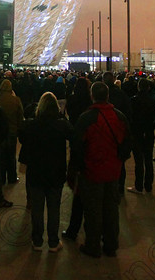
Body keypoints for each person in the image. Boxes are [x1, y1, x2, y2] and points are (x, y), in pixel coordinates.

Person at [70, 82, 131, 258]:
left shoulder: (86, 118)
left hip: (92, 172)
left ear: (92, 96)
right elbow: (127, 143)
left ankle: (93, 245)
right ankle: (111, 244)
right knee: (111, 209)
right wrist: (119, 160)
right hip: (113, 172)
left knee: (93, 210)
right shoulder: (119, 117)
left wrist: (77, 168)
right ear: (108, 96)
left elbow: (77, 147)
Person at [18, 92, 72, 252]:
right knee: (54, 207)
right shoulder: (62, 125)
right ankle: (53, 242)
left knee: (37, 209)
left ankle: (37, 241)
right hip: (56, 172)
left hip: (36, 172)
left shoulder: (31, 125)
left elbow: (22, 138)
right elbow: (75, 136)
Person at [62, 77, 91, 241]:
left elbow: (68, 112)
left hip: (75, 139)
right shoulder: (89, 102)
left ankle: (73, 230)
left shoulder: (72, 98)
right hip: (90, 146)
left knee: (79, 194)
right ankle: (92, 229)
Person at [127, 78, 155, 194]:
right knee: (148, 160)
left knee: (138, 161)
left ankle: (138, 186)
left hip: (137, 133)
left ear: (138, 87)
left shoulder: (133, 101)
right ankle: (148, 185)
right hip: (148, 133)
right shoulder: (153, 102)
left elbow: (129, 117)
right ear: (148, 88)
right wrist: (152, 126)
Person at [0, 79, 24, 186]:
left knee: (0, 157)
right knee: (11, 156)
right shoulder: (16, 100)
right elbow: (20, 117)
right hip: (12, 132)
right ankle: (12, 177)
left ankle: (1, 178)